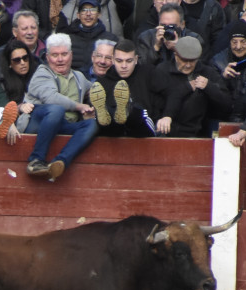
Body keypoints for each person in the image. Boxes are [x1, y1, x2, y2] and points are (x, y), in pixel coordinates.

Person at [24, 33, 97, 181]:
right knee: (56, 109)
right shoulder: (42, 73)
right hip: (38, 122)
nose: (60, 59)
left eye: (64, 54)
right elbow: (51, 98)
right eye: (55, 55)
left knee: (93, 124)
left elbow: (97, 92)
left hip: (64, 125)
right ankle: (36, 160)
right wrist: (79, 106)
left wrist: (92, 109)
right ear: (48, 57)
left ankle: (60, 162)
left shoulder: (79, 77)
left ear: (71, 55)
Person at [152, 36, 230, 136]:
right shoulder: (162, 71)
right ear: (176, 55)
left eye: (192, 61)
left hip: (199, 133)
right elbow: (154, 102)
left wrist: (209, 87)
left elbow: (227, 106)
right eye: (184, 60)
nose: (188, 65)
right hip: (166, 131)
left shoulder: (208, 72)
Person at [89, 38, 157, 135]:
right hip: (113, 134)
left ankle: (126, 110)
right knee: (107, 116)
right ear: (112, 60)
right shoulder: (103, 82)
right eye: (119, 61)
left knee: (136, 112)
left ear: (136, 59)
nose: (124, 66)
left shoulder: (148, 74)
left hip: (141, 129)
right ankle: (114, 112)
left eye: (129, 61)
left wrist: (166, 116)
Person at [61, 0, 110, 71]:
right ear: (78, 15)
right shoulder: (67, 40)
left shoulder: (109, 39)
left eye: (93, 10)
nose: (88, 14)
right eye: (84, 10)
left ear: (99, 14)